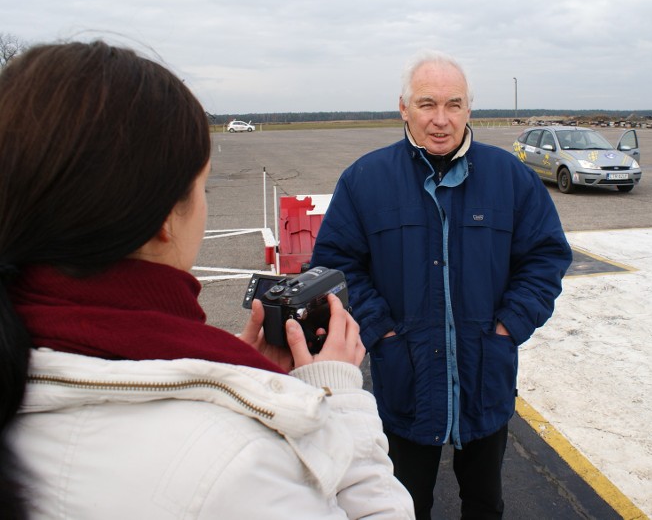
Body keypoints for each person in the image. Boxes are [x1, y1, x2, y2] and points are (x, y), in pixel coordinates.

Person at [0, 41, 414, 519]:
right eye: (202, 186)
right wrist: (340, 401)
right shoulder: (232, 469)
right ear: (161, 217)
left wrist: (238, 374)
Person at [310, 50, 572, 518]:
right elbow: (336, 265)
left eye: (454, 105)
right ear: (403, 108)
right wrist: (382, 333)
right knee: (405, 505)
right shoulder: (365, 180)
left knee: (485, 503)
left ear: (469, 109)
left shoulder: (510, 177)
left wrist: (509, 326)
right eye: (427, 104)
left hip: (485, 376)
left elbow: (546, 257)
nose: (440, 119)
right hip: (406, 379)